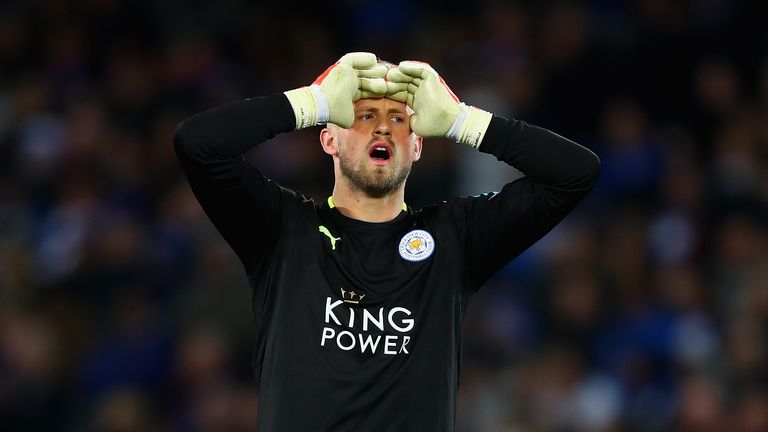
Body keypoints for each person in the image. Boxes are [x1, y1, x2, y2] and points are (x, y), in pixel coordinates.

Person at [173, 52, 600, 431]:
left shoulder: (455, 237)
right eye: (363, 116)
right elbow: (198, 145)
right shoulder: (282, 229)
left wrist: (461, 121)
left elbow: (575, 173)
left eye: (398, 119)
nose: (382, 129)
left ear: (416, 146)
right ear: (329, 138)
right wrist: (312, 102)